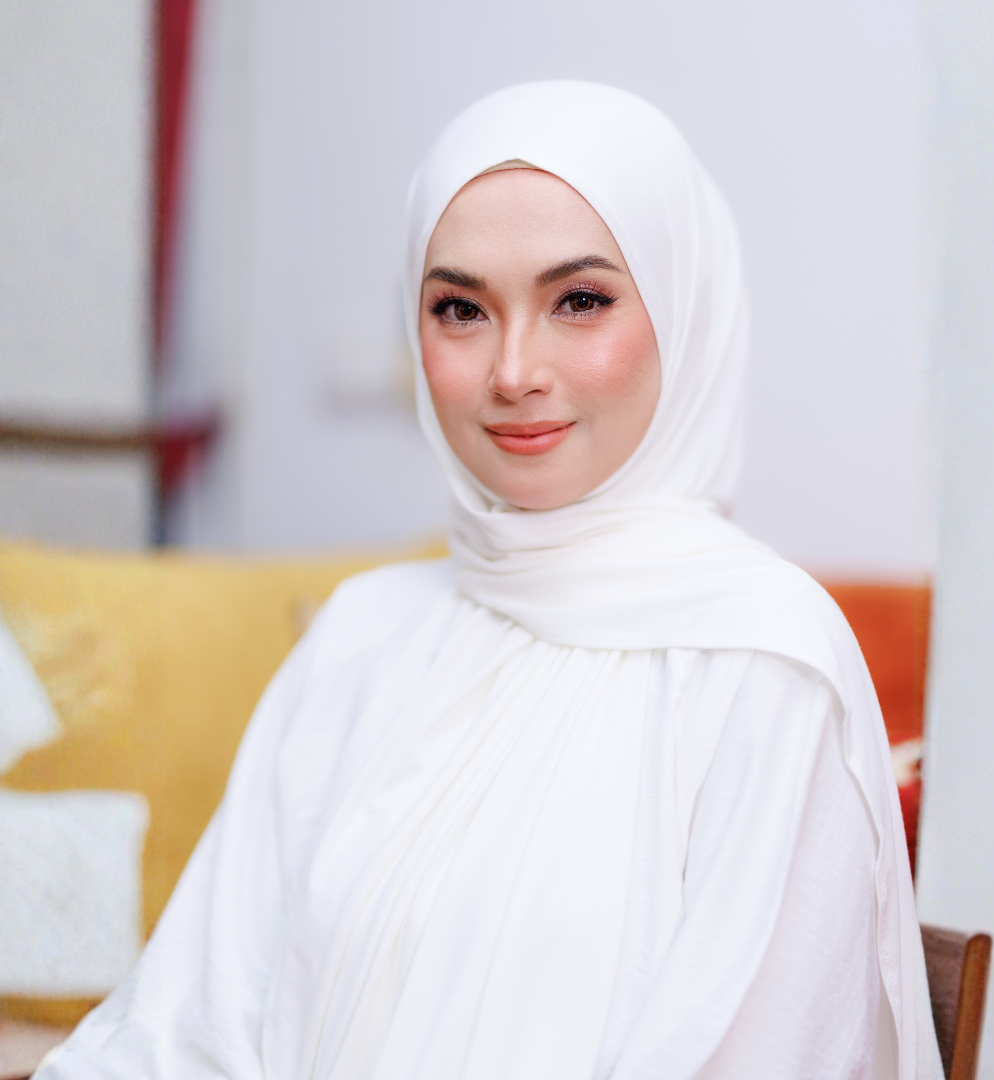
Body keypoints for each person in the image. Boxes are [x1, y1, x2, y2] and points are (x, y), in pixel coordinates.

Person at [38, 81, 942, 1080]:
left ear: (685, 311)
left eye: (579, 301)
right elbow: (193, 1023)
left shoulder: (765, 661)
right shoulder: (364, 633)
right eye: (461, 309)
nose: (514, 371)